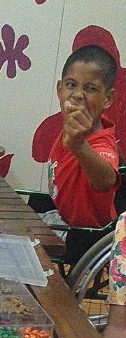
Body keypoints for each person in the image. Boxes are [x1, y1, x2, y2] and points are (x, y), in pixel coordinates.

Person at [41, 44, 119, 231]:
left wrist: (78, 145)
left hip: (86, 239)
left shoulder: (101, 142)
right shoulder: (70, 129)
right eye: (71, 85)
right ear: (60, 89)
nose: (77, 95)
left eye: (91, 88)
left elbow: (106, 180)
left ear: (107, 98)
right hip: (60, 218)